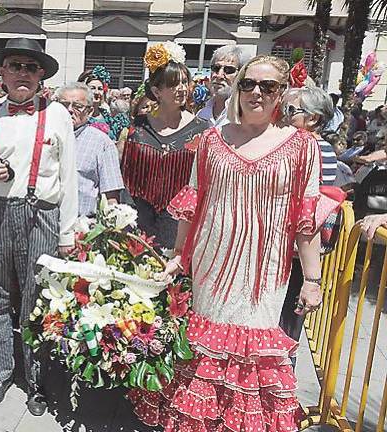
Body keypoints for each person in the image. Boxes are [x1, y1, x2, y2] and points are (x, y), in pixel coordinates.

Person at [129, 55, 324, 432]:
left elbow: (306, 220)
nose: (256, 93)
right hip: (210, 263)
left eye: (267, 87)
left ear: (281, 93)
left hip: (264, 270)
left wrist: (312, 281)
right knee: (205, 346)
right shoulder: (210, 141)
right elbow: (191, 204)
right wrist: (177, 258)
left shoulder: (302, 147)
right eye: (248, 84)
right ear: (239, 88)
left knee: (252, 347)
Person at [0, 37, 78, 416]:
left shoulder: (56, 114)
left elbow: (69, 178)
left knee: (35, 303)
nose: (22, 73)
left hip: (39, 215)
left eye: (30, 67)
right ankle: (2, 373)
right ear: (3, 73)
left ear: (40, 74)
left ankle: (37, 382)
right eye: (15, 66)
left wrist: (65, 234)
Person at [121, 42, 208, 249]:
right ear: (156, 91)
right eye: (173, 84)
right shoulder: (138, 127)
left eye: (185, 82)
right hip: (139, 217)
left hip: (181, 220)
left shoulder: (201, 130)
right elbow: (125, 176)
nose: (182, 89)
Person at [278, 84, 336, 353]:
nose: (282, 115)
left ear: (313, 118)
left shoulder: (312, 148)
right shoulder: (305, 145)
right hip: (291, 251)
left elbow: (310, 208)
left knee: (283, 332)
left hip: (295, 252)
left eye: (290, 110)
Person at [55, 82, 124, 216]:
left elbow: (111, 195)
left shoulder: (102, 143)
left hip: (82, 226)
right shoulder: (45, 135)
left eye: (77, 106)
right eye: (63, 105)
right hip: (43, 224)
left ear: (90, 111)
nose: (69, 110)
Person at [197, 45, 249, 127]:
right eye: (216, 68)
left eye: (228, 70)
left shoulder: (245, 114)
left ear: (241, 75)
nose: (219, 75)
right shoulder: (201, 114)